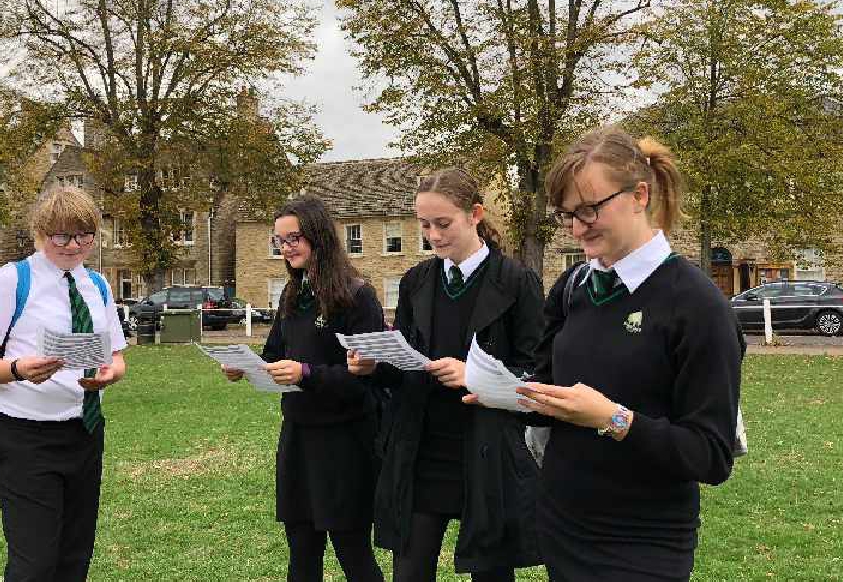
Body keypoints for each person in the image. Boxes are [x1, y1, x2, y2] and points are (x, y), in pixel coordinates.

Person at [511, 126, 743, 581]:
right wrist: (506, 393)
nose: (578, 227)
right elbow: (546, 392)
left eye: (591, 209)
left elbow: (710, 455)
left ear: (640, 195)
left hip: (641, 544)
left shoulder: (697, 306)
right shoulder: (572, 288)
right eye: (568, 215)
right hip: (563, 526)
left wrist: (611, 418)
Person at [347, 169, 543, 581]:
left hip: (487, 451)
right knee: (410, 571)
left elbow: (535, 371)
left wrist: (473, 374)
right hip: (423, 450)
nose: (433, 236)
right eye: (424, 225)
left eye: (443, 223)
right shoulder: (417, 281)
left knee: (491, 573)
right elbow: (402, 368)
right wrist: (374, 365)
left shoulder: (517, 281)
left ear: (474, 215)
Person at [0, 186, 127, 582]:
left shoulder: (97, 286)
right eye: (62, 236)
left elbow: (117, 356)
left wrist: (112, 373)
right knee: (34, 564)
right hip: (25, 438)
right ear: (40, 233)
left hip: (84, 432)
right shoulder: (14, 280)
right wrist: (18, 369)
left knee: (74, 559)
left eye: (85, 235)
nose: (74, 245)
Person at [221, 195, 386, 582]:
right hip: (297, 436)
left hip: (345, 441)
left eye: (293, 237)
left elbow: (364, 379)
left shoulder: (357, 295)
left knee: (353, 553)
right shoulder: (292, 294)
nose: (285, 247)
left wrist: (306, 374)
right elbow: (275, 353)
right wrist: (244, 368)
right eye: (279, 240)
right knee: (301, 551)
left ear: (319, 236)